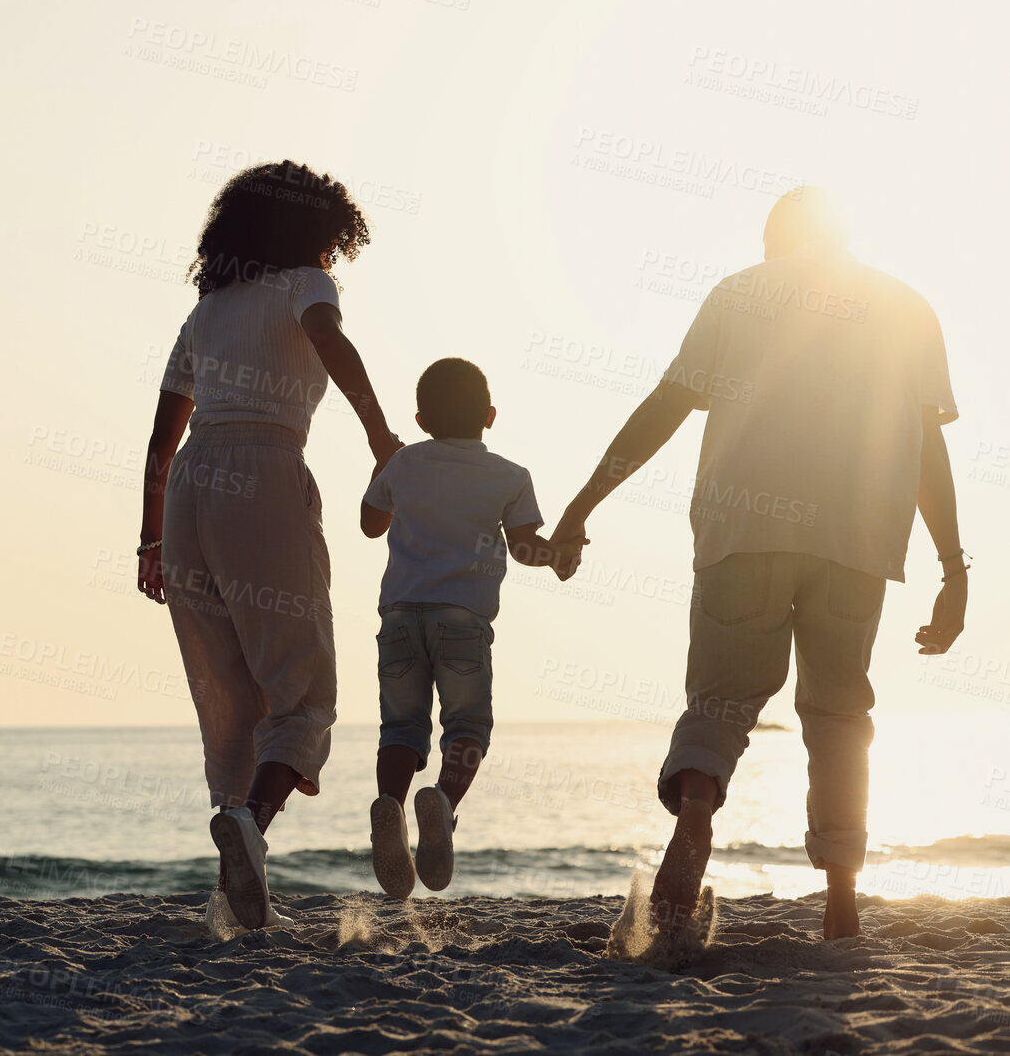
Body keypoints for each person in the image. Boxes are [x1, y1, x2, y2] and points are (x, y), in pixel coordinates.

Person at [550, 187, 966, 939]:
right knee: (839, 713)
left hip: (741, 526)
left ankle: (698, 809)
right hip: (855, 538)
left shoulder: (737, 291)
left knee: (717, 703)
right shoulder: (906, 304)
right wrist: (952, 568)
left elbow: (666, 405)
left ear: (775, 238)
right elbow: (924, 446)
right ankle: (840, 907)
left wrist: (583, 506)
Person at [137, 160, 402, 930]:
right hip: (263, 469)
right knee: (301, 686)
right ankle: (250, 825)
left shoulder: (208, 308)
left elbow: (161, 438)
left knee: (224, 694)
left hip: (189, 489)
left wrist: (149, 537)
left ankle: (233, 889)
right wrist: (379, 433)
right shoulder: (304, 284)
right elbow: (330, 341)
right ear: (318, 230)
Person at [360, 357, 581, 898]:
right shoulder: (509, 475)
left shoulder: (403, 464)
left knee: (402, 730)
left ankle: (391, 806)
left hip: (400, 619)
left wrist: (382, 469)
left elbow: (370, 525)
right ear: (490, 415)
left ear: (419, 419)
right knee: (466, 727)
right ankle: (444, 805)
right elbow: (526, 546)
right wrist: (557, 557)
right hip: (463, 620)